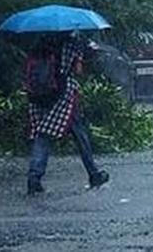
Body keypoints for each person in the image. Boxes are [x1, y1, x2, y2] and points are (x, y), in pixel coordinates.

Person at [26, 34, 109, 195]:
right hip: (63, 96)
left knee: (42, 135)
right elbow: (78, 71)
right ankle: (94, 174)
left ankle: (34, 178)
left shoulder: (38, 45)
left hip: (39, 97)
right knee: (80, 134)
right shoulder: (71, 45)